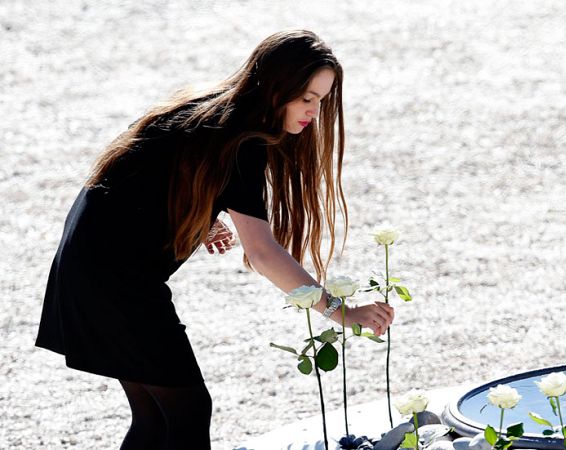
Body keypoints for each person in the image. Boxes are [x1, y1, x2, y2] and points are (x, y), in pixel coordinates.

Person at [34, 30, 395, 450]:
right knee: (187, 411)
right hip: (117, 284)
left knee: (157, 418)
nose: (314, 112)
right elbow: (262, 254)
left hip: (86, 266)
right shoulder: (241, 143)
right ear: (276, 87)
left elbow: (144, 176)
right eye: (306, 98)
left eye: (321, 100)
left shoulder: (204, 111)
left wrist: (200, 212)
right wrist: (342, 311)